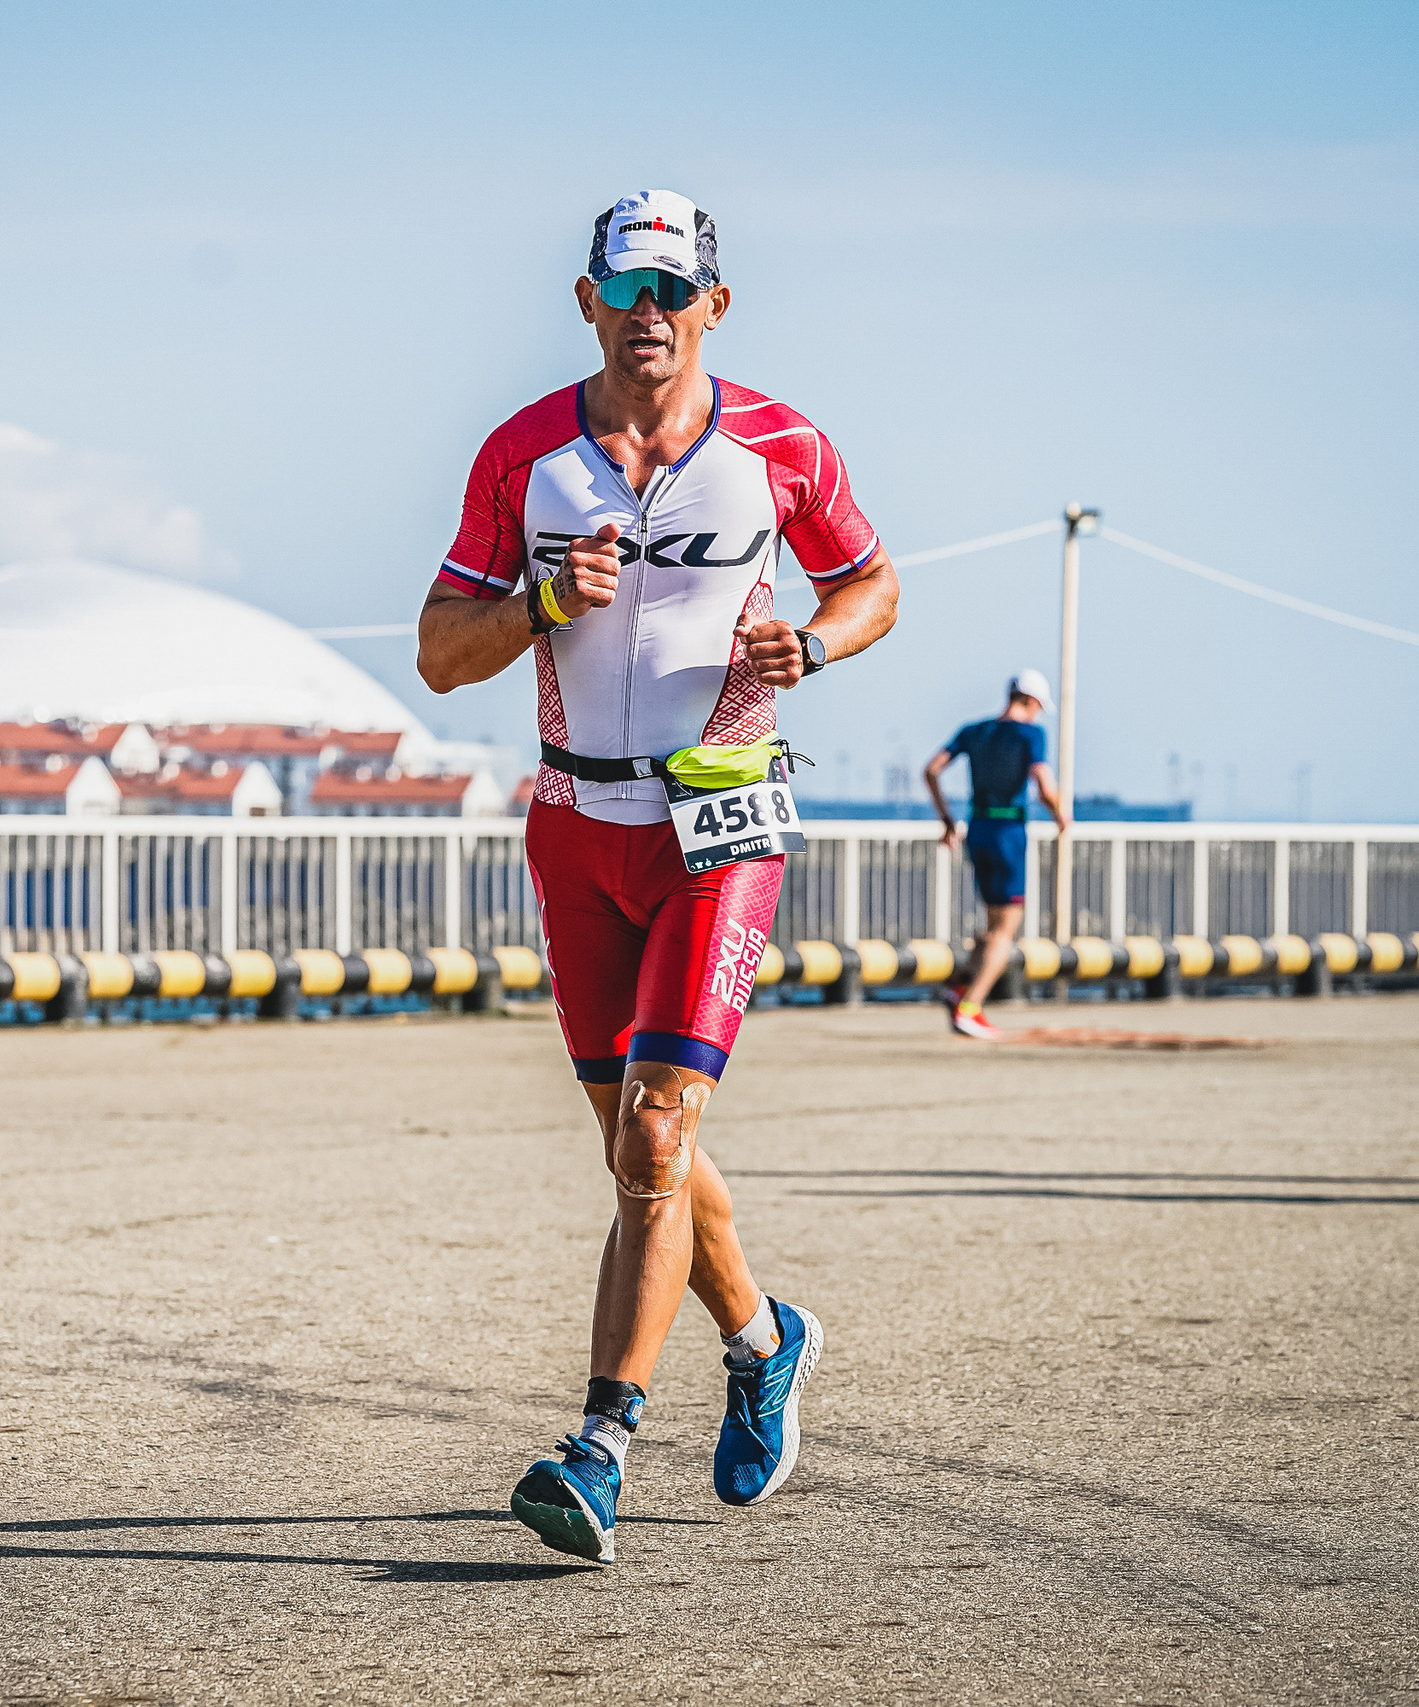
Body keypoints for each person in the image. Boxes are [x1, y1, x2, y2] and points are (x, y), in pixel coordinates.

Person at [416, 188, 899, 1563]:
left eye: (674, 294)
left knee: (653, 1140)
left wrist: (817, 641)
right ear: (584, 301)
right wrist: (539, 604)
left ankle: (601, 1443)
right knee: (642, 1148)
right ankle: (763, 1338)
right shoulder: (524, 455)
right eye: (625, 292)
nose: (649, 317)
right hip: (577, 825)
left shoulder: (782, 442)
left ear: (714, 308)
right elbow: (442, 652)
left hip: (724, 816)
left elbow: (873, 584)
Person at [924, 672, 1068, 1041]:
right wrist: (1060, 816)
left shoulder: (975, 730)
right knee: (1006, 929)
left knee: (992, 922)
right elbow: (1043, 783)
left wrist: (946, 821)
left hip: (978, 829)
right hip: (1007, 832)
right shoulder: (1030, 734)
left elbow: (932, 769)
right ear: (1032, 702)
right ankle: (970, 1008)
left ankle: (958, 986)